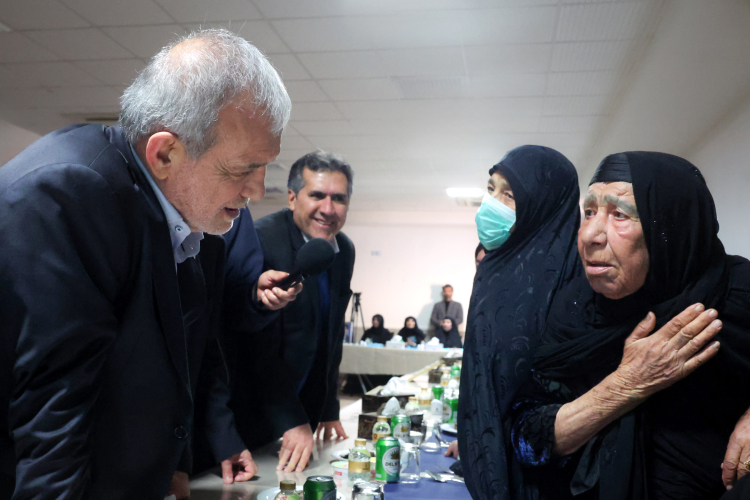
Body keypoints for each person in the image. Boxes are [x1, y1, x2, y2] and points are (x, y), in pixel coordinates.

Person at [0, 29, 295, 499]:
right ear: (165, 154)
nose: (257, 191)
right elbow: (53, 419)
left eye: (264, 167)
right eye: (242, 169)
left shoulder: (199, 219)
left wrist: (171, 466)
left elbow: (186, 356)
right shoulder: (72, 194)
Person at [510, 152, 750, 499]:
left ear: (669, 228)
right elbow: (527, 438)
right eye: (589, 212)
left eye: (619, 214)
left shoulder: (737, 294)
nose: (589, 235)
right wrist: (627, 384)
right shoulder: (573, 308)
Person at [457, 146, 582, 500]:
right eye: (491, 189)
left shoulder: (573, 284)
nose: (492, 203)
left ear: (543, 207)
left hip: (545, 477)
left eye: (509, 195)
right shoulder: (493, 270)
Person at [222, 151, 355, 474]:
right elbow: (256, 347)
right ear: (293, 198)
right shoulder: (262, 240)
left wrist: (328, 407)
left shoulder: (344, 250)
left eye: (338, 198)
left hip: (303, 405)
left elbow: (331, 335)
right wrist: (291, 420)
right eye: (317, 195)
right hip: (250, 407)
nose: (328, 209)